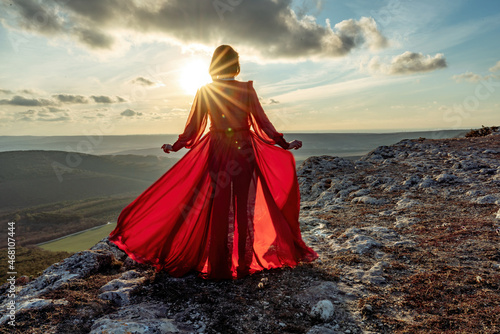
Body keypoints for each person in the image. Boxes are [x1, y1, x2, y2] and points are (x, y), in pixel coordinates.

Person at [109, 45, 318, 279]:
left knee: (217, 207)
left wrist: (175, 146)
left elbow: (193, 127)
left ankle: (219, 264)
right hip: (243, 151)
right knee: (243, 208)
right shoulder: (246, 89)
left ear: (214, 65)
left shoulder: (205, 91)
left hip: (218, 150)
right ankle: (243, 265)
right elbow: (262, 121)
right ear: (236, 65)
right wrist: (284, 143)